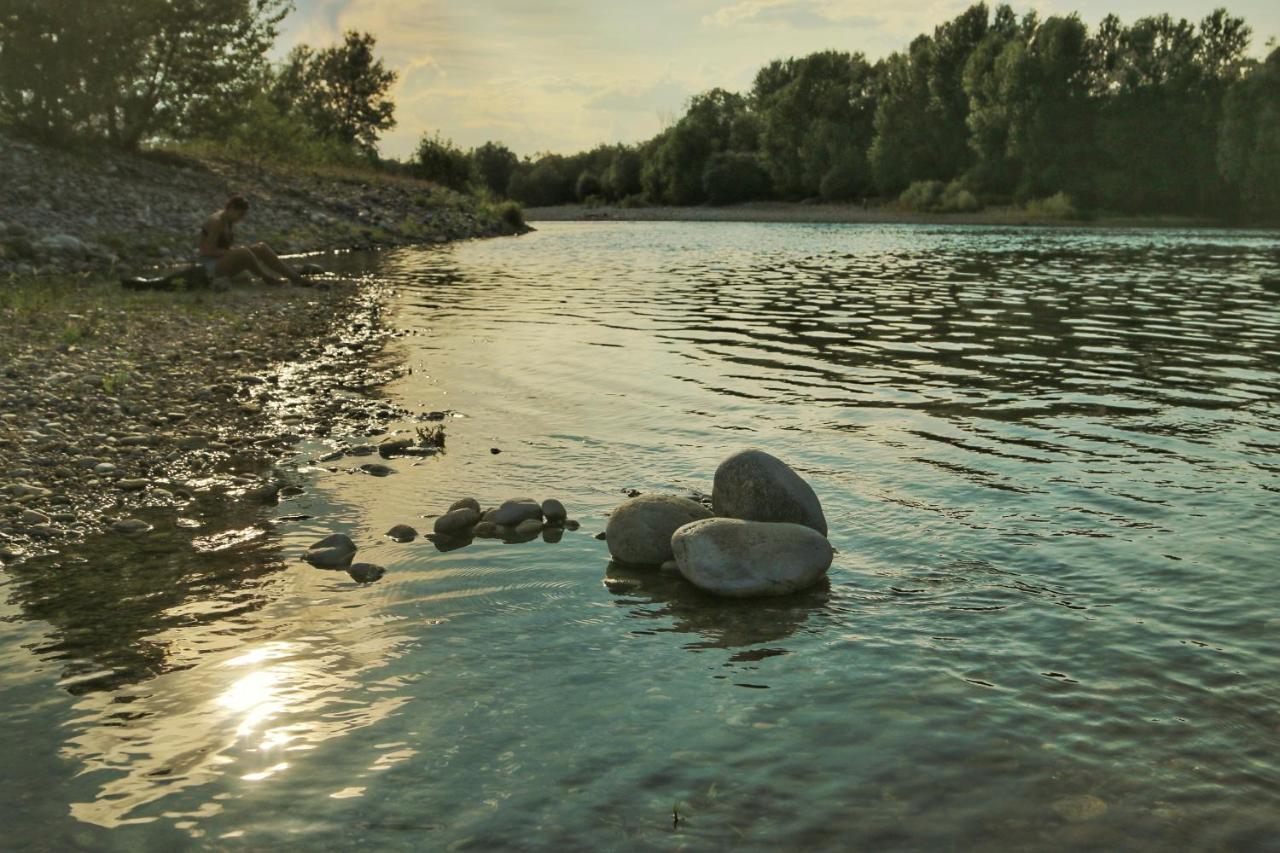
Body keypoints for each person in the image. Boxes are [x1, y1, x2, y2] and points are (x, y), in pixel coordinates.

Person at [199, 195, 306, 285]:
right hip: (210, 266)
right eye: (240, 215)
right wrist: (232, 253)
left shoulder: (228, 220)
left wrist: (231, 253)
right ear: (231, 208)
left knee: (261, 248)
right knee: (243, 252)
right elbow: (207, 251)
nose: (240, 219)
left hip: (221, 261)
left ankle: (295, 278)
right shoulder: (216, 222)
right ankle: (266, 278)